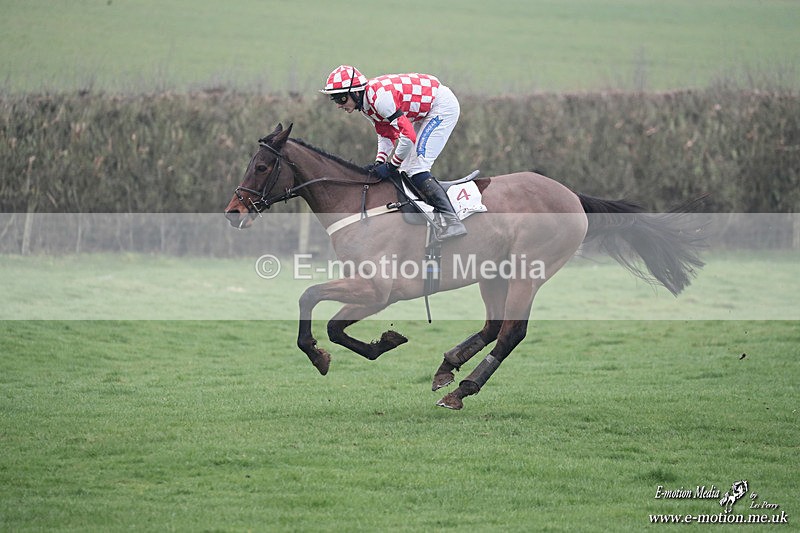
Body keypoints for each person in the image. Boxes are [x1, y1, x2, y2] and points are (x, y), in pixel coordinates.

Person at [320, 65, 467, 241]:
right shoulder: (366, 105)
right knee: (405, 171)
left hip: (441, 107)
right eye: (334, 99)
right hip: (424, 111)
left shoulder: (380, 100)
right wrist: (379, 161)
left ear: (356, 92)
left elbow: (407, 137)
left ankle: (452, 221)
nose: (338, 105)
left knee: (416, 169)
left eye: (341, 98)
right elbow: (386, 134)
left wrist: (391, 166)